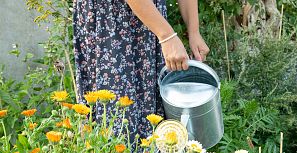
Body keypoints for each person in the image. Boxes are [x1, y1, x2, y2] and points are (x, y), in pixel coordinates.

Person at [73, 0, 209, 142]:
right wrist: (167, 36)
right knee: (117, 118)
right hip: (110, 22)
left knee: (153, 122)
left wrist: (194, 31)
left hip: (151, 22)